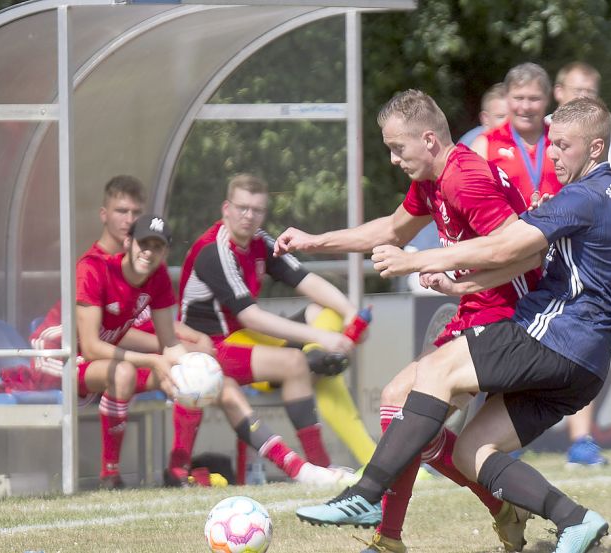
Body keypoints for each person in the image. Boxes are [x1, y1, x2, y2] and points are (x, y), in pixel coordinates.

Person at [297, 97, 611, 553]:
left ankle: (366, 496)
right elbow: (539, 257)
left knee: (427, 378)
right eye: (552, 144)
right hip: (586, 361)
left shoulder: (580, 196)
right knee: (472, 450)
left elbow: (506, 249)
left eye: (562, 145)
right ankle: (575, 520)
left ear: (595, 148)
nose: (552, 154)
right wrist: (461, 285)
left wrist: (417, 259)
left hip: (551, 334)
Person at [276, 89, 538, 553]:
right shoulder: (435, 179)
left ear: (430, 139)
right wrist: (313, 242)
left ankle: (389, 532)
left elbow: (519, 246)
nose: (394, 159)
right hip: (477, 309)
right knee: (414, 420)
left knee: (404, 404)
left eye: (398, 148)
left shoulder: (463, 179)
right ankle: (486, 513)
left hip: (509, 317)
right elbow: (392, 230)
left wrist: (425, 265)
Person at [32, 213, 351, 488]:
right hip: (56, 357)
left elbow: (170, 341)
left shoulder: (154, 278)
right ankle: (110, 475)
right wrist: (158, 360)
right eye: (144, 243)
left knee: (211, 381)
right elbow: (91, 345)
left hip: (108, 361)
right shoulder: (95, 269)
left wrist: (197, 367)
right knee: (128, 371)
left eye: (157, 246)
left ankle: (299, 468)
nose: (149, 252)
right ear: (128, 242)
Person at [179, 173, 374, 471]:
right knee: (298, 362)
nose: (249, 216)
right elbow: (250, 317)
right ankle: (321, 467)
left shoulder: (260, 240)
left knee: (329, 314)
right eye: (242, 208)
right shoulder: (215, 249)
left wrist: (350, 314)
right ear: (226, 209)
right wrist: (322, 339)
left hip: (245, 339)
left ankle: (363, 458)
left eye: (257, 210)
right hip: (209, 349)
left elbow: (304, 279)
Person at [552, 60, 611, 466]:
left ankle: (580, 441)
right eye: (577, 90)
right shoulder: (521, 132)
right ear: (558, 91)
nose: (584, 97)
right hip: (527, 247)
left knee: (582, 338)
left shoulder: (594, 141)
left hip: (569, 256)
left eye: (591, 92)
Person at [472, 62, 563, 206]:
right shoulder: (485, 144)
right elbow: (474, 201)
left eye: (534, 99)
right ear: (507, 98)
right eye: (518, 98)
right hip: (508, 227)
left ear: (547, 99)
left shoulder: (561, 139)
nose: (525, 107)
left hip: (560, 226)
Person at [457, 83, 508, 148]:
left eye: (513, 116)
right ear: (485, 118)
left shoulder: (520, 139)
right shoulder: (470, 144)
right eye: (501, 117)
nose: (508, 121)